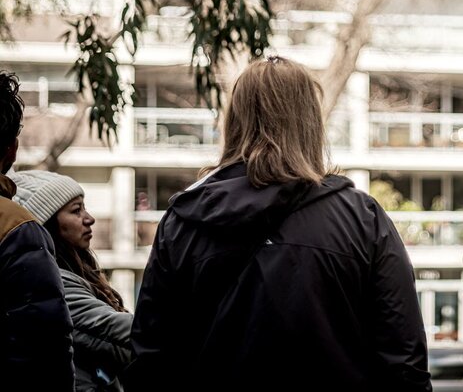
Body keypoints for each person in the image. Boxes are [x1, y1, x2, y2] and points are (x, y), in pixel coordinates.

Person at [127, 57, 431, 391]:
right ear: (311, 122)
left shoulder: (183, 223)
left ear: (235, 121)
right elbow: (404, 362)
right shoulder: (363, 219)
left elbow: (151, 359)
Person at [12, 169, 133, 391]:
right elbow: (116, 331)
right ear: (48, 226)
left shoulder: (74, 273)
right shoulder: (53, 283)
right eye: (76, 210)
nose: (89, 218)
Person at [0, 71, 76, 390]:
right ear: (11, 149)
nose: (90, 221)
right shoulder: (15, 227)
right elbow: (44, 353)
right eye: (75, 210)